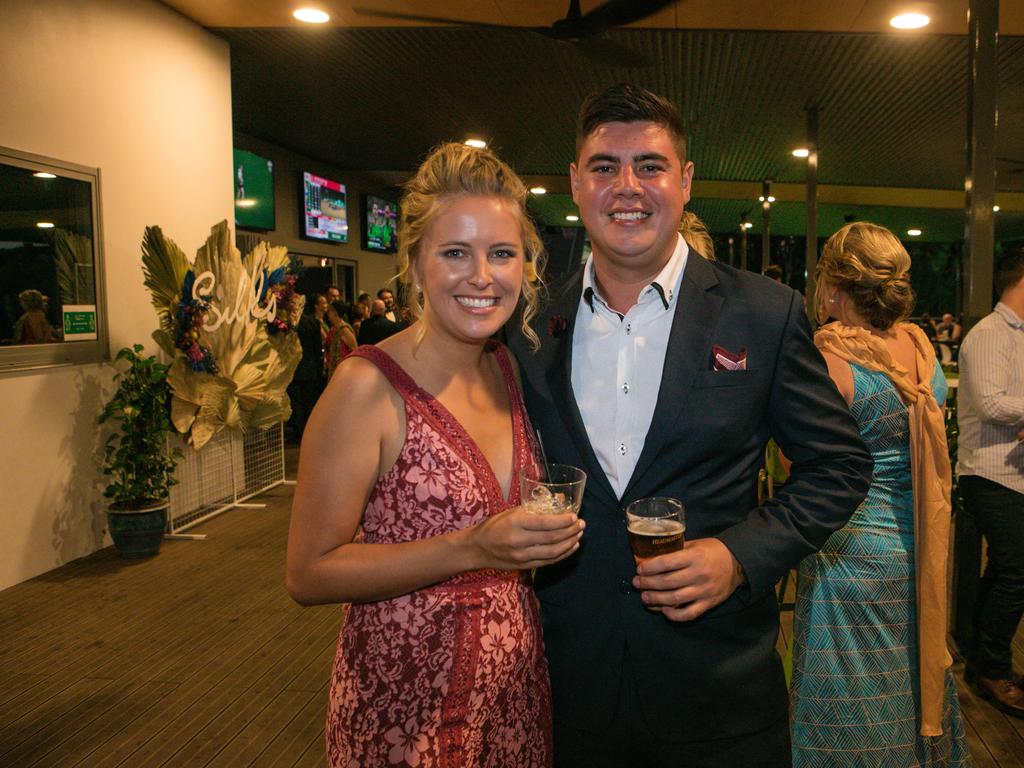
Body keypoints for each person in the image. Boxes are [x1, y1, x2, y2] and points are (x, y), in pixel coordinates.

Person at [507, 83, 872, 767]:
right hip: (564, 690)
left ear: (686, 180)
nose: (627, 187)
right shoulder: (525, 323)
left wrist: (738, 556)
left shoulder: (763, 313)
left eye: (650, 165)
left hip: (717, 696)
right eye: (604, 166)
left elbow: (841, 466)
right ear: (576, 183)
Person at [286, 142, 583, 767]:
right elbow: (309, 573)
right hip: (406, 710)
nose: (482, 276)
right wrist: (471, 546)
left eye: (502, 254)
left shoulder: (507, 368)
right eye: (455, 253)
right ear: (416, 263)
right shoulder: (366, 387)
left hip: (512, 704)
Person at [791, 222, 971, 765]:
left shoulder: (829, 358)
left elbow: (806, 465)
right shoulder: (920, 349)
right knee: (910, 682)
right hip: (919, 547)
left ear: (832, 285)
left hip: (847, 557)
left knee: (846, 702)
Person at [958, 249, 1024, 717]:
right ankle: (994, 670)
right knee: (1017, 571)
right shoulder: (989, 334)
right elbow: (992, 405)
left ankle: (983, 661)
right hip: (988, 471)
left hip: (1015, 472)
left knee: (1006, 571)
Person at [323, 299, 357, 379]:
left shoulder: (344, 329)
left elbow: (354, 349)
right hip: (333, 368)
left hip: (342, 370)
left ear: (335, 312)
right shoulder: (334, 328)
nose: (327, 314)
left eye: (329, 311)